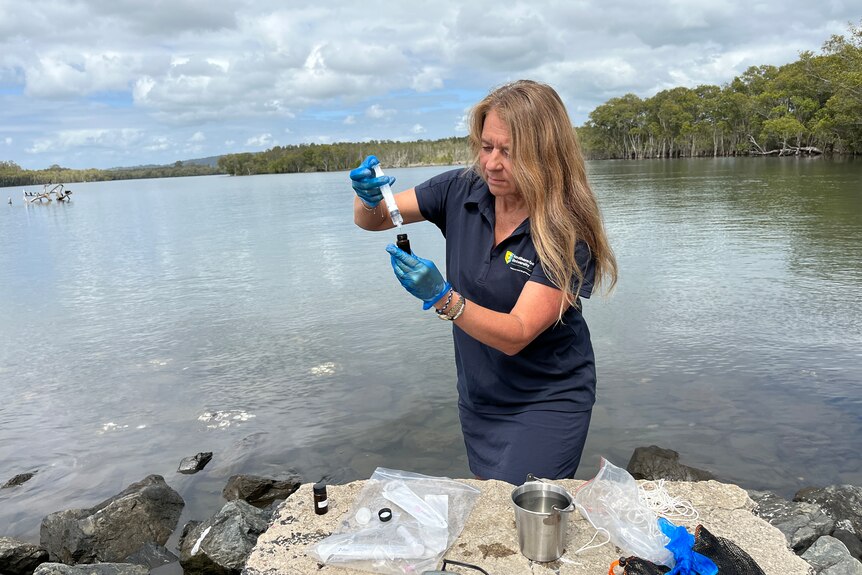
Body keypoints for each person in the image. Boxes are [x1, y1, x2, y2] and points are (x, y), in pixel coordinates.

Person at [350, 79, 617, 484]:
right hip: (479, 393)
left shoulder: (568, 231)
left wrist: (443, 298)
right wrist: (368, 197)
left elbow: (518, 333)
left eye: (508, 152)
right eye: (486, 146)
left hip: (547, 399)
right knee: (487, 502)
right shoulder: (461, 189)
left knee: (518, 506)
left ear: (545, 154)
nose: (491, 163)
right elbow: (377, 220)